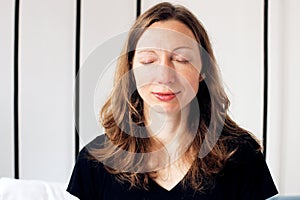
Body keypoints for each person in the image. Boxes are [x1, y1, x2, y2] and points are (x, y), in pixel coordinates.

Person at [67, 2, 278, 200]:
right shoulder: (94, 161)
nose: (164, 76)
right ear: (131, 69)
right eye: (148, 60)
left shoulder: (241, 155)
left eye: (181, 60)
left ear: (202, 70)